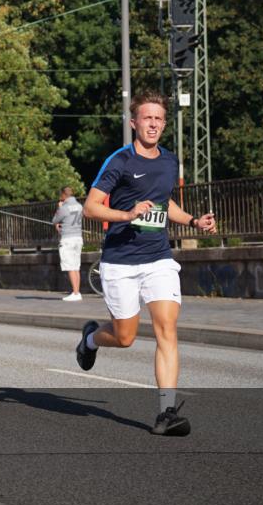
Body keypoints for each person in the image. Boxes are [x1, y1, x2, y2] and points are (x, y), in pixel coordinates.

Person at [77, 91, 217, 436]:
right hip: (121, 261)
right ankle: (91, 340)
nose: (152, 123)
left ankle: (166, 412)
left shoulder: (170, 162)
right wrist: (126, 213)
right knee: (124, 338)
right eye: (146, 118)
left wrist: (192, 221)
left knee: (166, 329)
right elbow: (91, 207)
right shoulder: (120, 161)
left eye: (158, 118)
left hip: (158, 258)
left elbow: (165, 202)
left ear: (163, 124)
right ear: (134, 123)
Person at [53, 185, 85, 301]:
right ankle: (77, 291)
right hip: (78, 237)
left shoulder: (64, 207)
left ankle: (75, 293)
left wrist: (59, 207)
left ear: (63, 195)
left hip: (68, 239)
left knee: (70, 266)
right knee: (76, 266)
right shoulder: (79, 206)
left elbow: (55, 220)